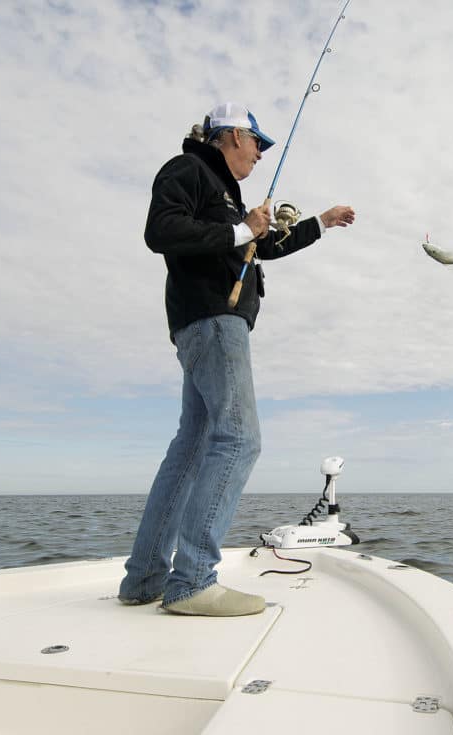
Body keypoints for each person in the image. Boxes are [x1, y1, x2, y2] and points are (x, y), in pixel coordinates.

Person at [118, 102, 355, 616]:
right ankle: (192, 582)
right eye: (256, 143)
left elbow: (260, 248)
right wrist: (240, 230)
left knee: (192, 446)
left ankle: (144, 580)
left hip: (204, 325)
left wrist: (320, 221)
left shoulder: (227, 194)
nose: (261, 153)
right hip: (213, 322)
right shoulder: (189, 170)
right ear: (229, 136)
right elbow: (161, 231)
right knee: (241, 438)